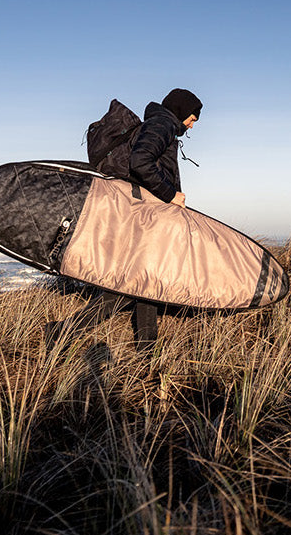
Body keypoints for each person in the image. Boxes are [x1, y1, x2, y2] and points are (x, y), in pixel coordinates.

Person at [44, 88, 203, 352]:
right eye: (192, 118)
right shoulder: (162, 125)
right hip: (144, 215)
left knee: (145, 281)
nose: (192, 124)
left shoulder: (160, 125)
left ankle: (145, 349)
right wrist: (170, 194)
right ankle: (63, 332)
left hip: (144, 214)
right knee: (137, 282)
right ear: (180, 110)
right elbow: (141, 162)